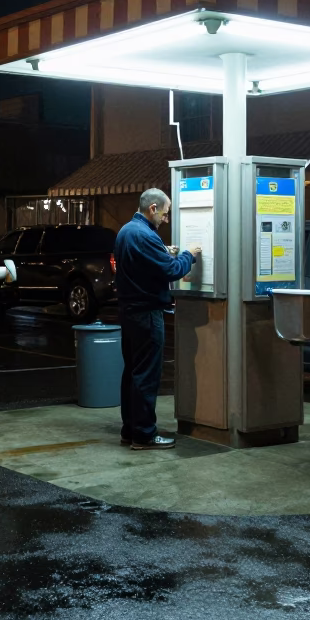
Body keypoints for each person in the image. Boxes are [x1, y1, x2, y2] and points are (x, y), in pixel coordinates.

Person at [114, 187, 200, 450]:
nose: (166, 218)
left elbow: (146, 264)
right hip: (147, 314)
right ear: (153, 208)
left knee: (132, 373)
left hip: (129, 313)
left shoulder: (126, 231)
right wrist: (189, 255)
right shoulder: (144, 236)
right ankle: (144, 435)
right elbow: (172, 270)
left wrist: (164, 251)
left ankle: (130, 429)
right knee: (146, 376)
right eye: (165, 212)